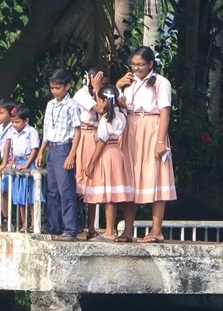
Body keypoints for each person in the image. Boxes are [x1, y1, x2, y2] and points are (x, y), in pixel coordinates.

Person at [116, 46, 176, 243]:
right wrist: (118, 86)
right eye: (133, 64)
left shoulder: (160, 82)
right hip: (131, 128)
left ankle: (156, 230)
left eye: (140, 64)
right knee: (129, 178)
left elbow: (165, 112)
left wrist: (160, 140)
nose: (136, 68)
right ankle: (127, 230)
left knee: (156, 177)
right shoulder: (129, 82)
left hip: (151, 128)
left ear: (150, 64)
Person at [37, 69, 82, 240]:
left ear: (67, 86)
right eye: (52, 88)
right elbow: (47, 130)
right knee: (52, 190)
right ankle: (53, 226)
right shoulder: (50, 105)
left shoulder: (72, 106)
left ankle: (70, 229)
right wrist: (41, 151)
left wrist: (71, 155)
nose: (55, 91)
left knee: (66, 190)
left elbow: (78, 132)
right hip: (52, 148)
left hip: (64, 148)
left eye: (58, 88)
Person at [83, 84, 130, 242]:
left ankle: (109, 230)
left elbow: (102, 141)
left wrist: (91, 163)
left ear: (104, 101)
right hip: (117, 152)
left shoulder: (105, 120)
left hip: (106, 153)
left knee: (108, 193)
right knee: (112, 193)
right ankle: (110, 228)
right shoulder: (122, 115)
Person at [0, 104, 43, 232]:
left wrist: (26, 164)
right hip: (18, 163)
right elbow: (14, 148)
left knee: (31, 197)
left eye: (17, 122)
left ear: (26, 120)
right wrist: (13, 159)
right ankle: (24, 223)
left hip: (28, 163)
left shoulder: (31, 132)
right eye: (12, 122)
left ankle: (34, 223)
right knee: (20, 197)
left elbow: (34, 149)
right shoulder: (12, 132)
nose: (14, 124)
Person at [74, 67, 106, 239]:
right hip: (83, 135)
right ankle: (74, 224)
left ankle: (92, 227)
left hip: (97, 136)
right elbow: (100, 109)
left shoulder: (99, 94)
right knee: (78, 182)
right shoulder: (82, 94)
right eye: (100, 81)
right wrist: (97, 89)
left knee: (92, 183)